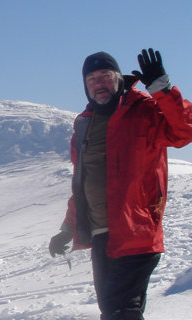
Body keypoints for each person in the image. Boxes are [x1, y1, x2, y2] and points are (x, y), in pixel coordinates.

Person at [48, 48, 192, 320]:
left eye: (105, 76)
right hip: (102, 235)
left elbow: (184, 131)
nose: (98, 83)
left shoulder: (144, 110)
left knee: (120, 312)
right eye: (92, 79)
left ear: (118, 78)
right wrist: (67, 229)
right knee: (114, 311)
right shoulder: (84, 125)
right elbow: (83, 184)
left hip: (136, 231)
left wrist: (161, 87)